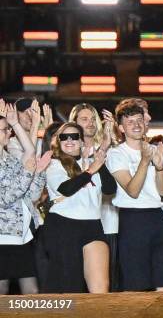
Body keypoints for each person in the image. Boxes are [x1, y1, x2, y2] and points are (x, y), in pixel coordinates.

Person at [105, 101, 163, 291]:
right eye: (130, 122)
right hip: (133, 220)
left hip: (158, 216)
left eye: (139, 120)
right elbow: (132, 190)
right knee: (136, 286)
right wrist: (145, 162)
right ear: (121, 127)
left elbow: (162, 191)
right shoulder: (116, 154)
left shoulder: (155, 150)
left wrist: (160, 166)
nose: (137, 125)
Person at [44, 122, 116, 293]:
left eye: (74, 137)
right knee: (70, 287)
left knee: (101, 289)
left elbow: (110, 189)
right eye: (64, 137)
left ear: (83, 141)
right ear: (58, 142)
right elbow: (66, 189)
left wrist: (99, 160)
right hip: (63, 225)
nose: (69, 140)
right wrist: (91, 170)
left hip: (93, 225)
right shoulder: (54, 165)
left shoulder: (93, 163)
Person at [0, 101, 50, 295]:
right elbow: (6, 197)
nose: (9, 134)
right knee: (2, 290)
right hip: (2, 238)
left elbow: (32, 195)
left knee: (32, 292)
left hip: (21, 237)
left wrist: (38, 172)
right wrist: (29, 171)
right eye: (4, 130)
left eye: (8, 130)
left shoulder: (10, 160)